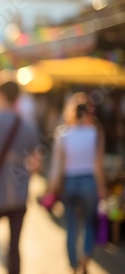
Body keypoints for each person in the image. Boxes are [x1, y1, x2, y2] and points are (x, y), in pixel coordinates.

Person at [0, 80, 39, 274]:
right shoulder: (28, 127)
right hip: (19, 197)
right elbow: (37, 163)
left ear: (1, 95)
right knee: (14, 246)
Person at [46, 92, 106, 274]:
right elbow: (98, 163)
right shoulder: (94, 133)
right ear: (89, 114)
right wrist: (102, 188)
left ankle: (73, 265)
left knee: (71, 225)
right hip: (89, 181)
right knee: (88, 222)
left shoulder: (63, 134)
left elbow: (57, 167)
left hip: (69, 183)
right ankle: (86, 257)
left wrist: (52, 188)